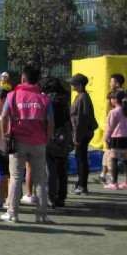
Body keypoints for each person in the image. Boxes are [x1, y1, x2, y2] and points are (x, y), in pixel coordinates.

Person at [0, 65, 54, 224]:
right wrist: (46, 138)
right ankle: (41, 215)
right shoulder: (44, 99)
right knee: (40, 180)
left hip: (17, 142)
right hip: (38, 142)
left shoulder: (12, 96)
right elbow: (50, 122)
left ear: (23, 79)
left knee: (16, 177)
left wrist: (5, 136)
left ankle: (12, 213)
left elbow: (3, 117)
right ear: (37, 80)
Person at [41, 77, 71, 207]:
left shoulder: (47, 101)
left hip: (51, 135)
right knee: (62, 168)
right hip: (64, 135)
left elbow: (47, 120)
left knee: (50, 168)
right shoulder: (65, 98)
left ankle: (50, 197)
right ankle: (61, 197)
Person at [69, 73, 97, 196]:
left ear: (80, 85)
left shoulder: (82, 98)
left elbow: (81, 120)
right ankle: (81, 184)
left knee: (81, 159)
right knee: (81, 158)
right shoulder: (81, 96)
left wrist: (77, 137)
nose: (71, 85)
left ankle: (82, 185)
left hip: (82, 133)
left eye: (73, 83)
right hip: (83, 132)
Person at [103, 90, 127, 190]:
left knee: (113, 159)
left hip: (116, 138)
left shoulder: (114, 111)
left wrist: (105, 138)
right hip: (126, 138)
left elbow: (110, 127)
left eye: (112, 98)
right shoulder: (125, 110)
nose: (111, 100)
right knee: (126, 160)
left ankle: (114, 182)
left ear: (116, 99)